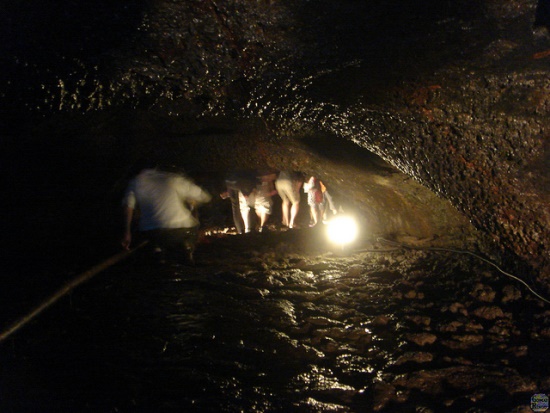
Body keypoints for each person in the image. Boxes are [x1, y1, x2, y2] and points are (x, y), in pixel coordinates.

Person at [121, 161, 212, 264]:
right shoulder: (174, 179)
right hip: (181, 229)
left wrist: (127, 233)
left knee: (153, 236)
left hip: (150, 231)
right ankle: (187, 248)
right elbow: (204, 197)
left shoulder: (135, 182)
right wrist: (192, 201)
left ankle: (158, 251)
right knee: (193, 225)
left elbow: (128, 206)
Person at [220, 170, 257, 234]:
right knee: (247, 206)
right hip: (242, 181)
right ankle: (249, 229)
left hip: (230, 181)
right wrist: (248, 191)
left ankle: (240, 230)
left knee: (235, 207)